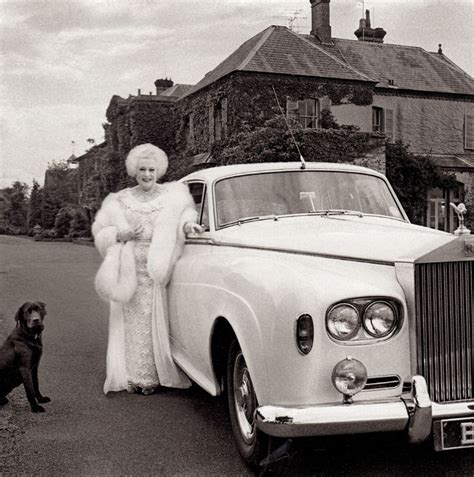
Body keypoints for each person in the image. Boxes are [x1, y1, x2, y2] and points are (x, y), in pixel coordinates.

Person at [92, 143, 202, 395]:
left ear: (159, 171)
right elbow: (100, 230)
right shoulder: (119, 200)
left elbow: (185, 214)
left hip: (155, 269)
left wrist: (188, 227)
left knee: (151, 321)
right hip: (127, 268)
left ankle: (149, 377)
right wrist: (121, 232)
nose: (147, 174)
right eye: (142, 169)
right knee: (128, 323)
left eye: (151, 169)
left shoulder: (171, 195)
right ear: (134, 170)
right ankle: (130, 376)